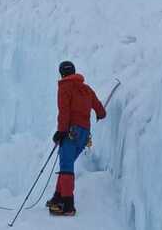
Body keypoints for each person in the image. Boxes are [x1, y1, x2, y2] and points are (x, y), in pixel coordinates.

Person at [48, 61, 106, 216]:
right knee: (66, 164)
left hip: (70, 133)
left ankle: (67, 205)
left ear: (62, 73)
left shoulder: (64, 87)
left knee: (66, 167)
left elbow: (64, 111)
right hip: (84, 135)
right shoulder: (86, 89)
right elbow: (100, 108)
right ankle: (57, 197)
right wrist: (100, 114)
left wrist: (60, 132)